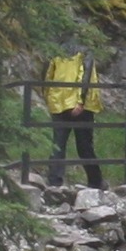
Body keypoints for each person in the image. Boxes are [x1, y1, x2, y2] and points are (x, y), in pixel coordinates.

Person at [42, 45, 106, 189]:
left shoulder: (56, 50)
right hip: (80, 107)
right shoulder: (85, 50)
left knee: (58, 144)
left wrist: (48, 97)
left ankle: (54, 182)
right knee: (84, 146)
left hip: (59, 102)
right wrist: (81, 100)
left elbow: (47, 75)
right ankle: (95, 181)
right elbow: (85, 75)